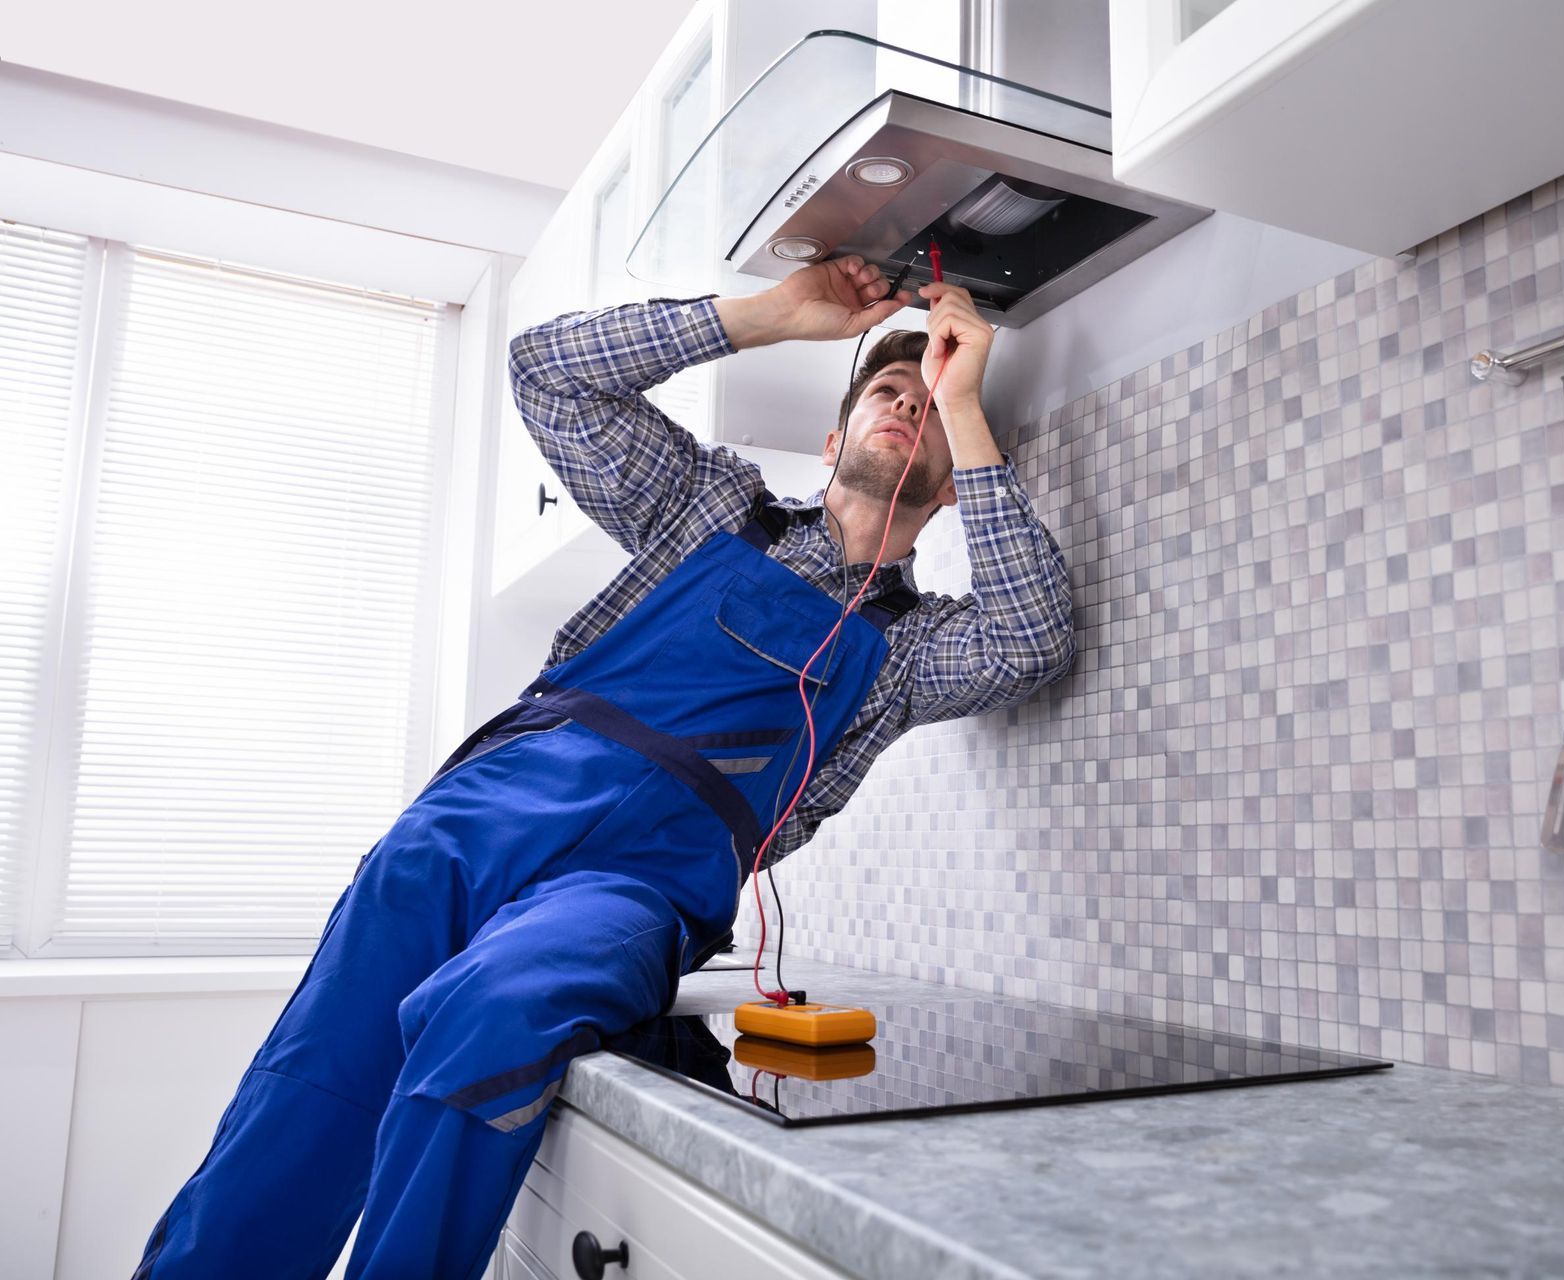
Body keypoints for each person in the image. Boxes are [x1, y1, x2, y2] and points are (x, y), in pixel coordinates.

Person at [132, 256, 1076, 1278]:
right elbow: (546, 372)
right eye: (888, 393)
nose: (907, 406)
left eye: (927, 408)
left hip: (640, 881)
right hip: (491, 810)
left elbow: (1034, 639)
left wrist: (964, 400)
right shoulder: (709, 510)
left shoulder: (911, 648)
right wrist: (766, 315)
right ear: (833, 435)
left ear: (951, 481)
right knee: (314, 1086)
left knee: (498, 1015)